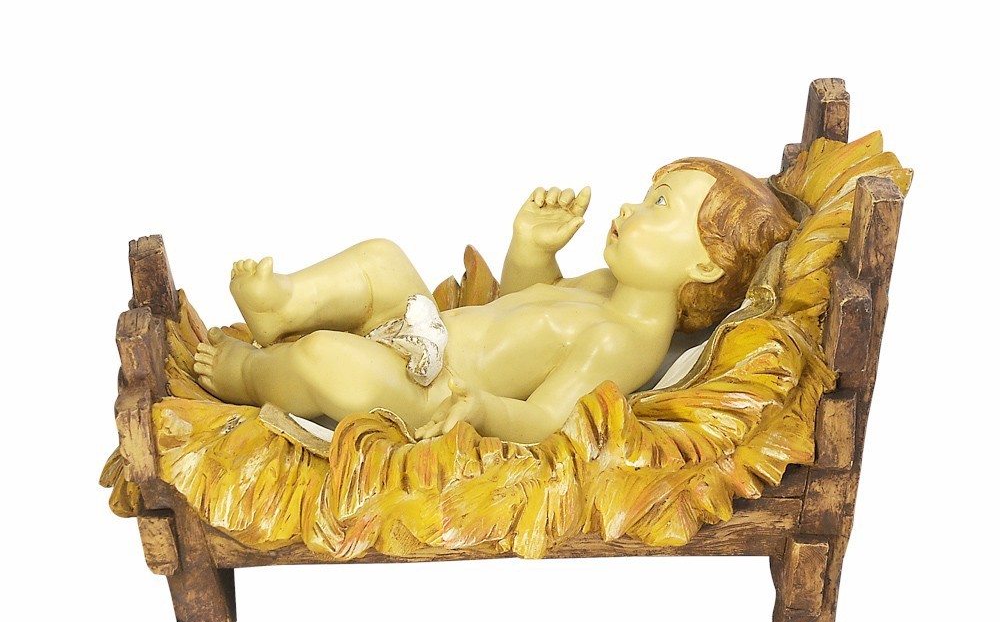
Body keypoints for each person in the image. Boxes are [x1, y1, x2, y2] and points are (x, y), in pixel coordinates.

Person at [194, 159, 796, 443]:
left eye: (659, 205)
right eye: (646, 194)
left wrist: (480, 410)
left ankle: (246, 372)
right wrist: (531, 248)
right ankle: (283, 305)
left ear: (704, 265)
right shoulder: (607, 288)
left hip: (428, 391)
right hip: (423, 331)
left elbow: (545, 422)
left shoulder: (623, 341)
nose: (628, 207)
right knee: (382, 258)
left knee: (326, 358)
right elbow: (523, 304)